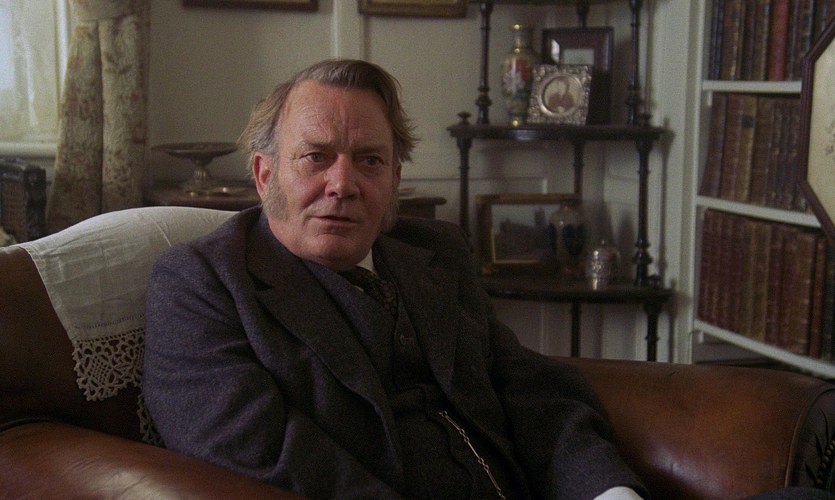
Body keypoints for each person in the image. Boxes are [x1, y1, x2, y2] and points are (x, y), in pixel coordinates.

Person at [143, 59, 647, 499]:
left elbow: (527, 388)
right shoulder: (203, 283)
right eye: (316, 157)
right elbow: (266, 459)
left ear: (394, 180)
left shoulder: (437, 253)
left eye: (370, 160)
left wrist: (608, 490)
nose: (343, 185)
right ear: (264, 174)